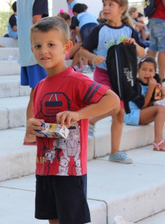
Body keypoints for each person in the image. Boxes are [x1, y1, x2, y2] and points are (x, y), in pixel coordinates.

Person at [26, 16, 119, 224]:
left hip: (70, 170)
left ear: (67, 47)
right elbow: (38, 120)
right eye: (38, 45)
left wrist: (78, 114)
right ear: (32, 50)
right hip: (44, 167)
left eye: (51, 44)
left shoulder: (76, 80)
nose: (44, 51)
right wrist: (32, 125)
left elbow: (112, 100)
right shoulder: (40, 86)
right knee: (53, 219)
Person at [80, 0, 146, 163]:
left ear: (122, 9)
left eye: (111, 5)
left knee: (119, 113)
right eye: (104, 4)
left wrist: (134, 44)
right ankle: (91, 120)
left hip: (122, 77)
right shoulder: (99, 29)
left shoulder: (129, 30)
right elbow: (82, 50)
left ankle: (114, 151)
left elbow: (142, 53)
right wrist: (93, 58)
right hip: (103, 74)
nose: (106, 8)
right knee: (116, 106)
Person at [17, 0, 48, 145]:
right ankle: (30, 135)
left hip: (26, 48)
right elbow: (37, 20)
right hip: (37, 50)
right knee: (38, 92)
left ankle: (32, 133)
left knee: (35, 92)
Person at [124, 57, 165, 151]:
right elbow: (142, 106)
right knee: (161, 108)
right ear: (137, 71)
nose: (147, 73)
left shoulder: (154, 83)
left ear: (154, 73)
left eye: (151, 70)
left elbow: (154, 103)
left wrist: (161, 96)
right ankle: (158, 141)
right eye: (144, 69)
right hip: (132, 115)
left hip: (142, 113)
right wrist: (151, 89)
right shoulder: (133, 85)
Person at [146, 0, 165, 85]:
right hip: (162, 17)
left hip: (153, 17)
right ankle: (161, 78)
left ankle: (146, 74)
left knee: (153, 48)